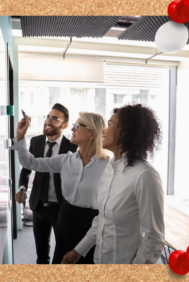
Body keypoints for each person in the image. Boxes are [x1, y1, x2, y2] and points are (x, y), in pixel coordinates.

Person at [62, 104, 165, 264]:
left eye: (109, 125)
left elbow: (154, 238)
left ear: (126, 132)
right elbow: (102, 219)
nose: (103, 130)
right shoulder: (110, 167)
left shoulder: (145, 175)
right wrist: (79, 250)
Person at [11, 111, 111, 264]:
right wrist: (20, 137)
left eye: (78, 126)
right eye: (73, 125)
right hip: (65, 219)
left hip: (92, 225)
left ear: (93, 134)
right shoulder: (66, 160)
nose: (72, 129)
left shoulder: (108, 166)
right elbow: (31, 163)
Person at [15, 103, 77, 264]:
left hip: (61, 208)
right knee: (41, 255)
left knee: (62, 254)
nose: (48, 121)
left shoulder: (72, 147)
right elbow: (27, 168)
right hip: (39, 206)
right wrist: (22, 187)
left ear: (64, 125)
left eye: (54, 119)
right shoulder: (36, 142)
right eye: (48, 117)